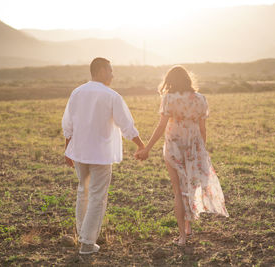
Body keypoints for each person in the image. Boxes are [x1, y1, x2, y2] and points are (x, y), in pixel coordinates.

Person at [135, 66, 228, 246]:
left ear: (170, 81)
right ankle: (188, 227)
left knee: (178, 191)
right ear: (188, 80)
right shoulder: (200, 99)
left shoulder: (168, 98)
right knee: (190, 188)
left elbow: (161, 126)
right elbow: (203, 129)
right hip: (194, 147)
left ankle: (183, 237)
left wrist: (147, 148)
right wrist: (202, 149)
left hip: (174, 147)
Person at [62, 57, 145, 254]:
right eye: (110, 71)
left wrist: (67, 149)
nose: (112, 75)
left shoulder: (77, 92)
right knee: (97, 196)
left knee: (84, 192)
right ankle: (87, 243)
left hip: (80, 152)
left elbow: (67, 123)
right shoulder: (112, 96)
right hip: (100, 154)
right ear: (100, 71)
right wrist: (141, 145)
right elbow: (127, 126)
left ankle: (83, 235)